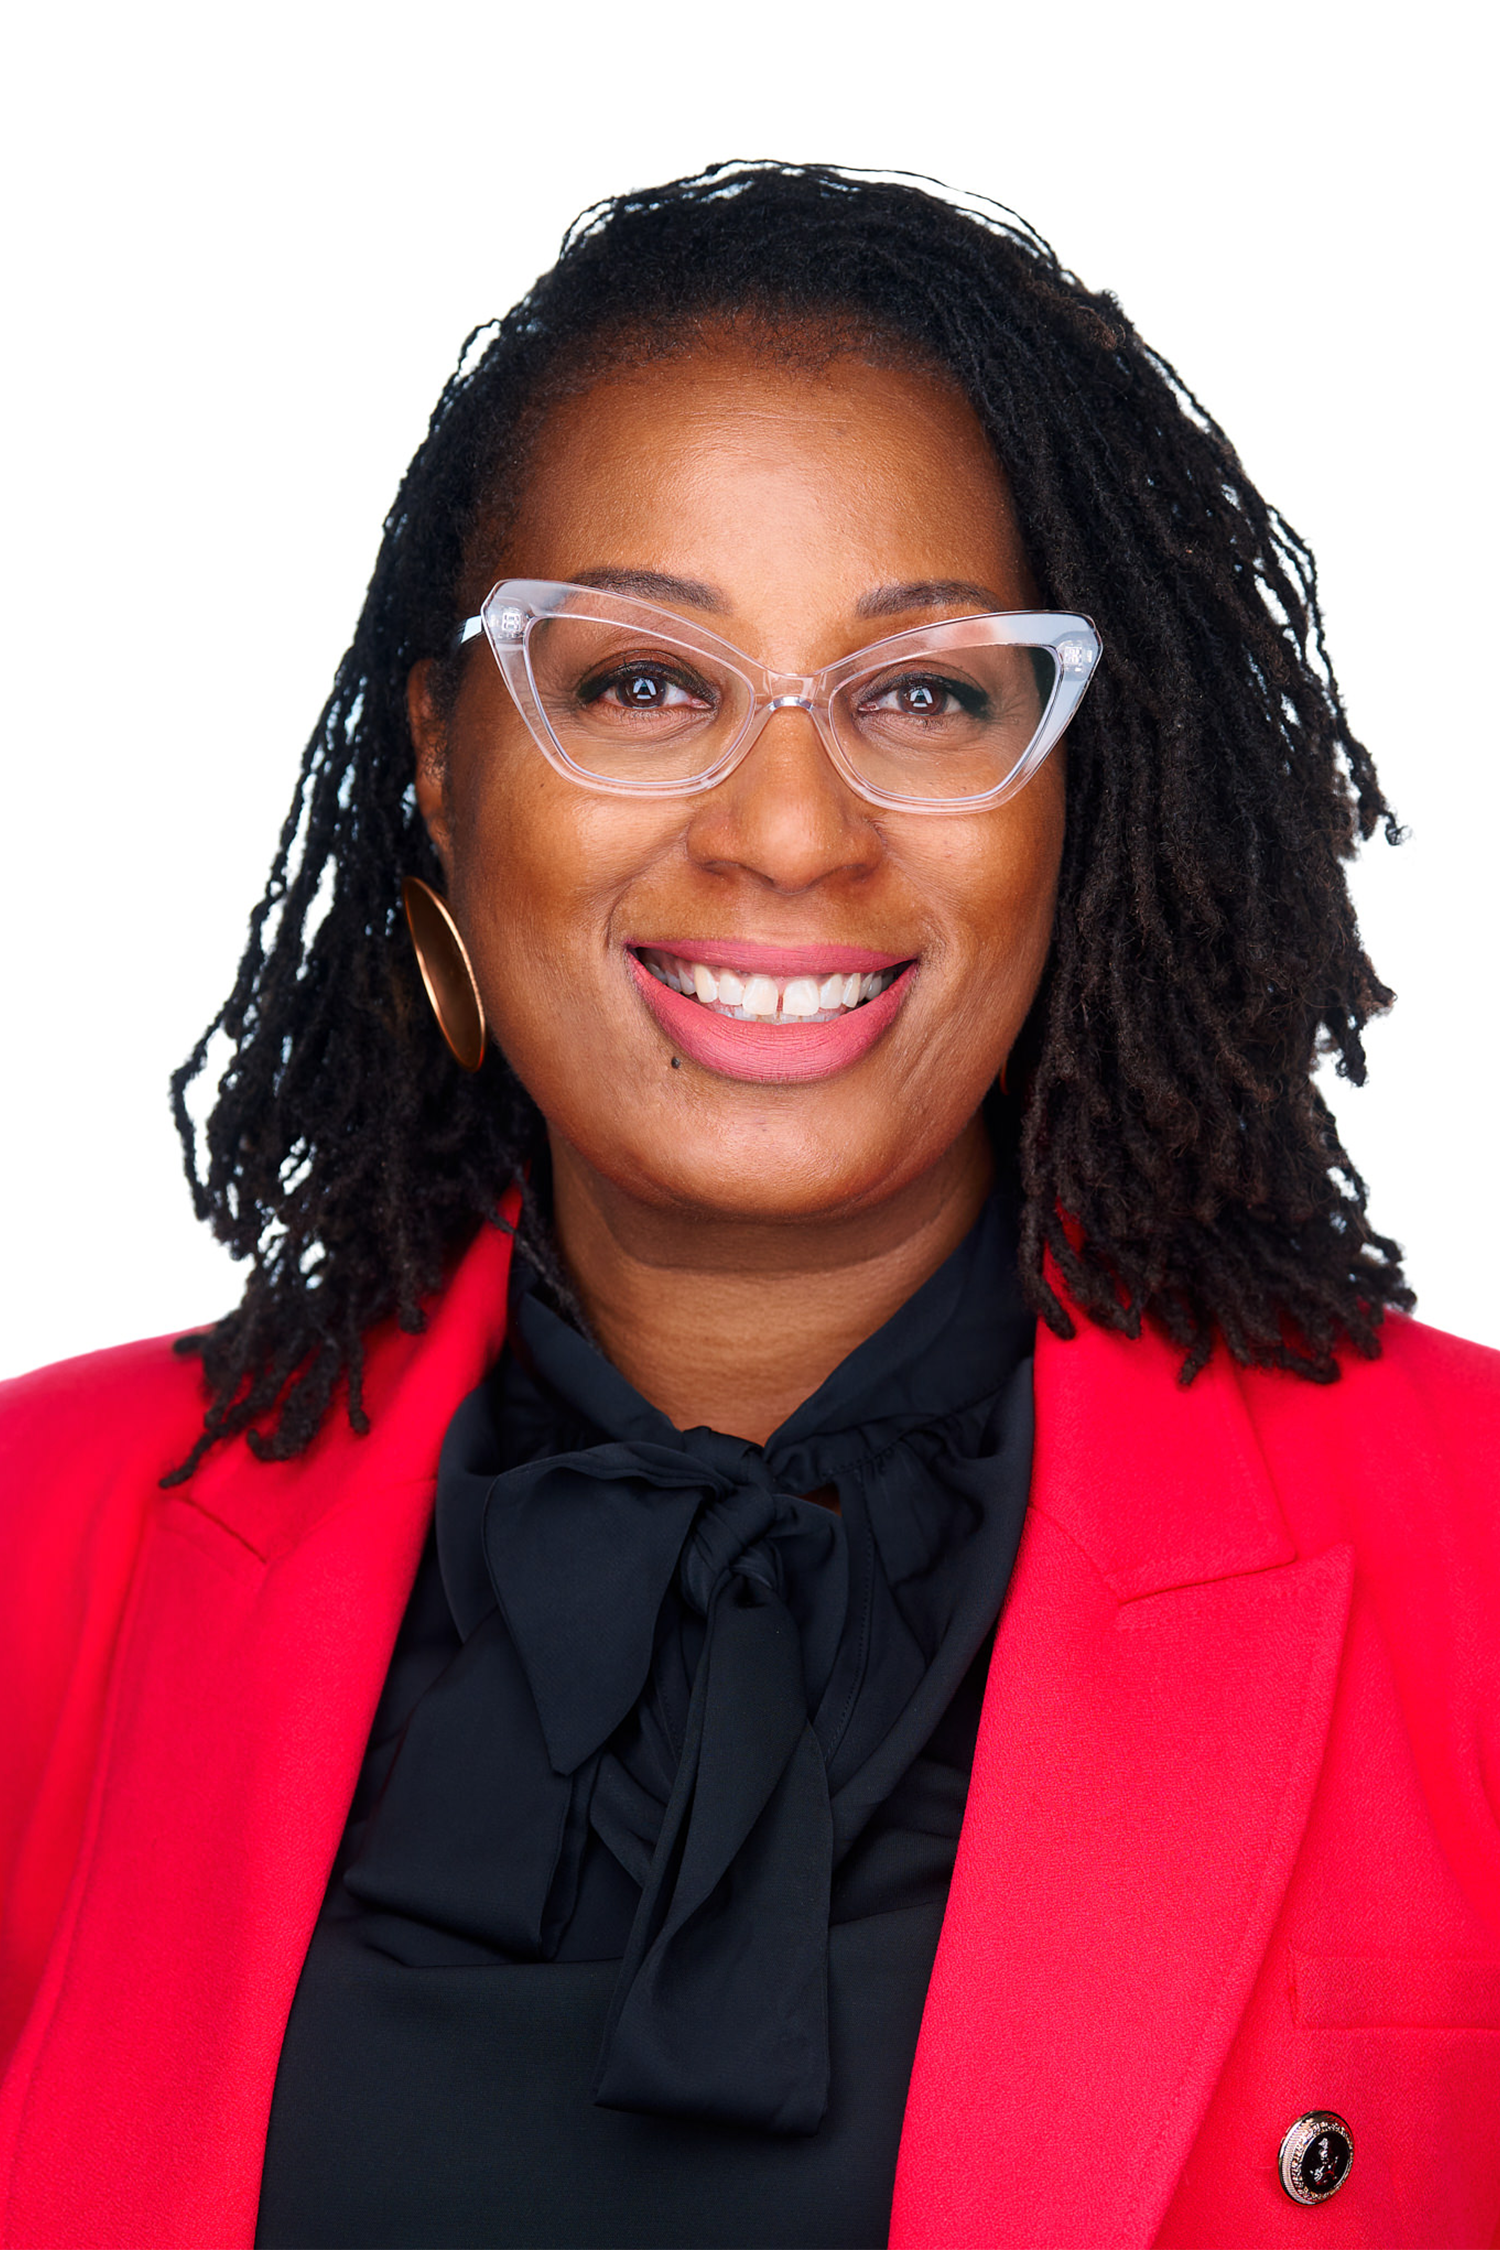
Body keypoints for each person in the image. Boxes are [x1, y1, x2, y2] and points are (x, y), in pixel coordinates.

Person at [1, 162, 1496, 2250]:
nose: (789, 832)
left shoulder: (1476, 1539)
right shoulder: (37, 1540)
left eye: (927, 694)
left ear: (1080, 786)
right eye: (639, 682)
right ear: (439, 759)